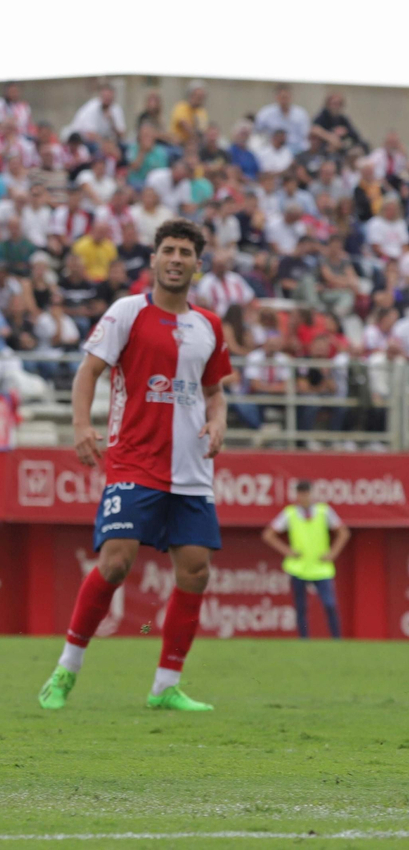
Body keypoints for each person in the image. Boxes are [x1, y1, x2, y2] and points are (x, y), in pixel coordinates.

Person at [39, 219, 232, 713]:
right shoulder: (128, 312)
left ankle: (166, 684)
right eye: (167, 250)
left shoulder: (209, 325)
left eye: (185, 252)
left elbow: (215, 392)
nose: (175, 259)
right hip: (134, 462)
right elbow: (89, 372)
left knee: (195, 571)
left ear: (197, 264)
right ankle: (67, 668)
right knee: (117, 559)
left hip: (191, 470)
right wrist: (81, 426)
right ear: (152, 259)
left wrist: (218, 422)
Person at [262, 480, 348, 640]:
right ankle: (304, 641)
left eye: (306, 493)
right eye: (301, 494)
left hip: (321, 567)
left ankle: (337, 640)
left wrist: (333, 553)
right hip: (299, 567)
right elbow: (268, 534)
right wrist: (288, 551)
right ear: (297, 495)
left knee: (330, 605)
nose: (304, 497)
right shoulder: (290, 513)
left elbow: (343, 532)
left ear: (311, 494)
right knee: (301, 608)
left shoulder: (324, 511)